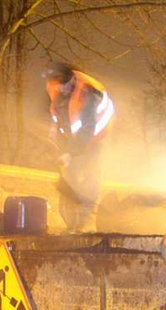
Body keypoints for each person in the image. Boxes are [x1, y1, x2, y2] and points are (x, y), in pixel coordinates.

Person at [43, 61, 115, 233]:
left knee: (91, 177)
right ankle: (72, 224)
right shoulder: (57, 90)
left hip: (97, 137)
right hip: (76, 139)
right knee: (71, 177)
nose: (63, 90)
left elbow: (88, 127)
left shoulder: (89, 93)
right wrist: (57, 143)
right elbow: (60, 121)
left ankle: (85, 222)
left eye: (66, 86)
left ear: (71, 81)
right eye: (60, 87)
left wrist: (70, 152)